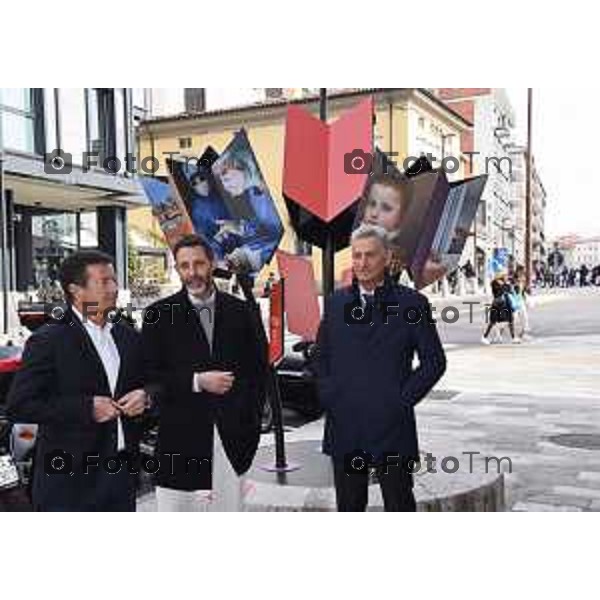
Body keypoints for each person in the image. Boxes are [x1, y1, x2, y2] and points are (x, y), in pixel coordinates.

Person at [315, 225, 447, 512]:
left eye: (370, 256)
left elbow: (434, 362)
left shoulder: (412, 303)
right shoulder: (336, 304)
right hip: (346, 426)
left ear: (386, 257)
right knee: (349, 506)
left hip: (392, 428)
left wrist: (400, 400)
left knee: (399, 504)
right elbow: (321, 357)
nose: (362, 263)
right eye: (357, 256)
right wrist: (330, 395)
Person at [6, 250, 151, 511]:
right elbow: (20, 405)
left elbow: (152, 383)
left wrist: (146, 396)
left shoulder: (129, 337)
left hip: (121, 478)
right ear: (76, 290)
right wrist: (86, 408)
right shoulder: (48, 341)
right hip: (68, 483)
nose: (114, 288)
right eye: (104, 282)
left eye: (114, 280)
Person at [142, 234, 267, 511]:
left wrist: (250, 427)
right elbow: (150, 376)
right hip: (180, 440)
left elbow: (259, 374)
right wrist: (197, 381)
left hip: (232, 442)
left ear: (211, 264)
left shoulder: (242, 312)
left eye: (198, 264)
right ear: (177, 269)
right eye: (184, 266)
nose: (192, 273)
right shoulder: (158, 315)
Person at [212, 157, 282, 274]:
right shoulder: (252, 193)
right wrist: (239, 228)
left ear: (243, 170)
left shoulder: (269, 190)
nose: (225, 186)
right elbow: (265, 227)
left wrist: (240, 228)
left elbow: (276, 230)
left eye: (227, 179)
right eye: (222, 181)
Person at [482, 274, 520, 345]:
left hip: (505, 305)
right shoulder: (495, 283)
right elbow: (501, 290)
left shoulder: (505, 284)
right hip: (497, 306)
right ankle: (485, 337)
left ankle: (513, 337)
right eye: (504, 276)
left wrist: (510, 286)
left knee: (510, 321)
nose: (506, 278)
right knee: (492, 322)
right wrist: (505, 286)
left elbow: (512, 291)